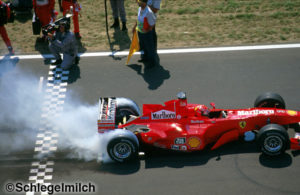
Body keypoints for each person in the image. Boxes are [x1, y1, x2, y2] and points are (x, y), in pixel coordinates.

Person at [133, 0, 157, 68]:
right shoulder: (140, 8)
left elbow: (152, 24)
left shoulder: (148, 12)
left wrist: (147, 31)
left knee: (150, 49)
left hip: (147, 34)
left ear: (143, 2)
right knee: (144, 46)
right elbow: (138, 19)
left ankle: (152, 63)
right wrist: (134, 27)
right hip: (140, 32)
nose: (137, 2)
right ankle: (145, 58)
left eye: (138, 1)